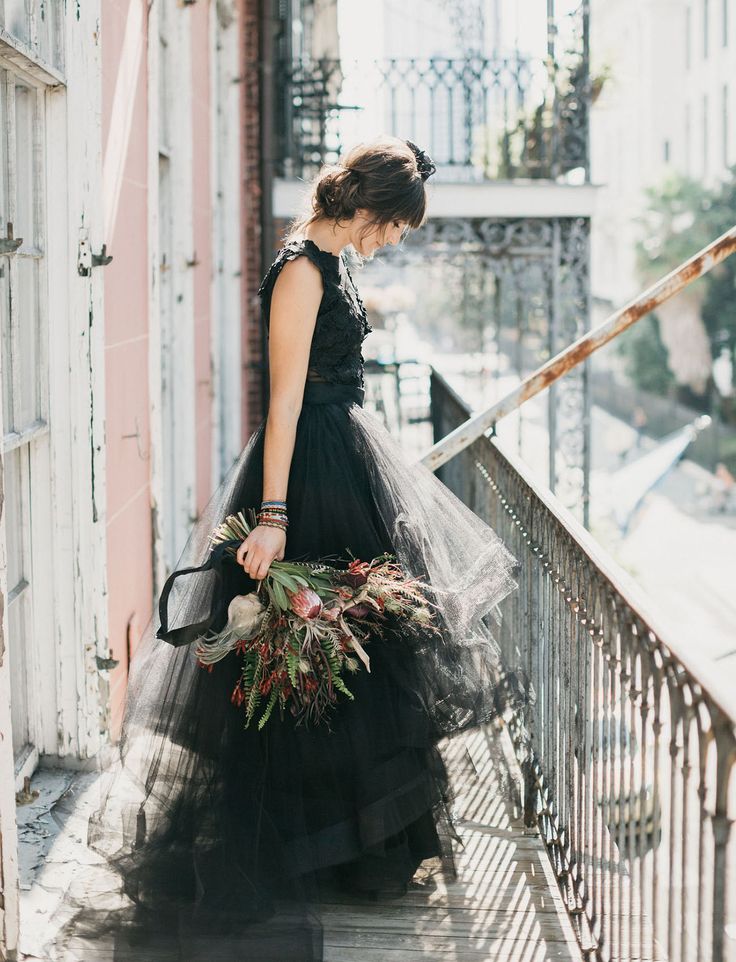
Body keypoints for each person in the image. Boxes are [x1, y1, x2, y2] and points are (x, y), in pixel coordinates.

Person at [50, 135, 533, 961]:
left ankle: (350, 844)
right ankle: (301, 848)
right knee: (305, 660)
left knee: (357, 661)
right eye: (395, 224)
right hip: (306, 474)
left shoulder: (337, 261)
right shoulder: (302, 270)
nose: (395, 239)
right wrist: (273, 517)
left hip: (345, 460)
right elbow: (282, 399)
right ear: (366, 203)